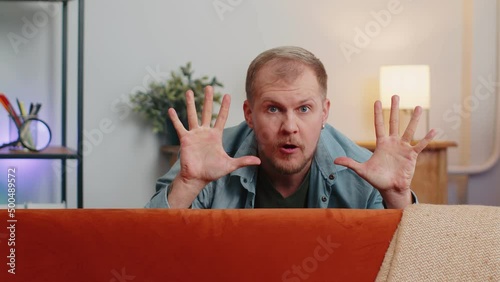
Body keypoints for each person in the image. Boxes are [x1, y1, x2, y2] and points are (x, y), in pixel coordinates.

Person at [146, 46, 435, 209]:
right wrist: (187, 185)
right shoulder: (209, 159)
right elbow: (150, 245)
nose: (289, 127)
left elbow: (406, 264)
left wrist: (397, 195)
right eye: (273, 109)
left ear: (325, 113)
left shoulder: (363, 171)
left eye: (304, 109)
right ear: (249, 113)